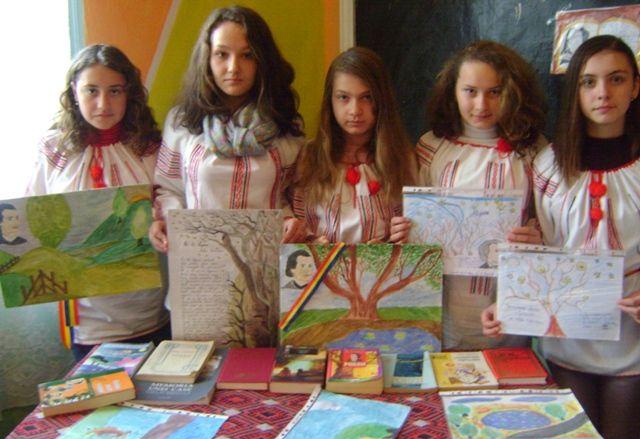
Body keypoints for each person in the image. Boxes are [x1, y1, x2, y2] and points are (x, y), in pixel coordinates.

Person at [482, 35, 640, 439]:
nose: (603, 93)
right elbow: (541, 252)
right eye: (589, 82)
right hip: (566, 342)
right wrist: (509, 301)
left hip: (632, 341)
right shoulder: (548, 165)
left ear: (635, 87)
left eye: (616, 79)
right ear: (576, 92)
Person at [27, 44, 169, 360]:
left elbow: (171, 204)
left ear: (129, 94)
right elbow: (30, 219)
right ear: (74, 92)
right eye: (92, 91)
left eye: (114, 91)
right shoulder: (54, 150)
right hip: (85, 317)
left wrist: (160, 220)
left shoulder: (148, 148)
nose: (103, 104)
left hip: (146, 308)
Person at [415, 40, 547, 350]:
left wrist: (537, 236)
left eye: (494, 92)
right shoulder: (431, 147)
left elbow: (550, 223)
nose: (481, 105)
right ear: (453, 91)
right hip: (443, 303)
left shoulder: (534, 152)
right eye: (470, 91)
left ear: (512, 92)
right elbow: (413, 217)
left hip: (506, 301)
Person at [150, 6, 306, 253]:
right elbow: (169, 189)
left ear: (262, 60)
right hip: (200, 258)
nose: (234, 67)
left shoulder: (285, 125)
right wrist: (166, 223)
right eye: (222, 54)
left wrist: (290, 222)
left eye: (247, 55)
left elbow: (290, 196)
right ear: (207, 58)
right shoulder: (183, 122)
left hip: (265, 259)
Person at [292, 47, 416, 244]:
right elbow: (296, 226)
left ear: (381, 100)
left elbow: (412, 229)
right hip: (321, 262)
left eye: (366, 97)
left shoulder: (401, 158)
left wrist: (397, 240)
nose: (355, 110)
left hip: (380, 263)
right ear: (330, 101)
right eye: (344, 97)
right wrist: (311, 242)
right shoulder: (309, 156)